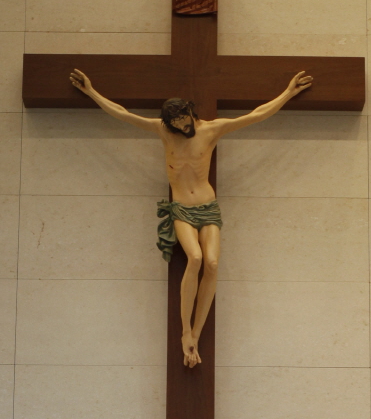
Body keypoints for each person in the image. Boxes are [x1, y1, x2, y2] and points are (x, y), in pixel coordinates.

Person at [69, 68, 313, 367]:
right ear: (169, 123)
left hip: (208, 207)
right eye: (177, 124)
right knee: (195, 258)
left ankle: (196, 334)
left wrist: (288, 92)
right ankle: (185, 330)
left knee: (212, 263)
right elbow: (123, 114)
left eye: (185, 121)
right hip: (182, 209)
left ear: (191, 114)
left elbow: (256, 115)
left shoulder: (211, 130)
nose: (183, 128)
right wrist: (91, 91)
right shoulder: (163, 131)